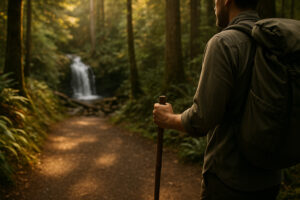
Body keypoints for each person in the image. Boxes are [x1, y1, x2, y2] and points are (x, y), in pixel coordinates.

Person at [153, 0, 281, 199]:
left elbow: (202, 119)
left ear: (226, 1)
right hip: (269, 179)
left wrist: (168, 119)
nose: (214, 5)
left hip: (229, 179)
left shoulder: (224, 43)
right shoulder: (275, 42)